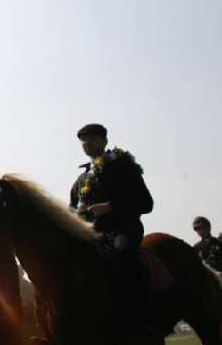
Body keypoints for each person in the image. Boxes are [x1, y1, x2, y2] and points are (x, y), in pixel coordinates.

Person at [69, 123, 155, 344]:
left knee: (123, 252)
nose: (88, 143)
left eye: (93, 139)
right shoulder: (80, 180)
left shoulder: (123, 165)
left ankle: (142, 323)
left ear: (105, 141)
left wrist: (110, 207)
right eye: (84, 140)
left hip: (122, 227)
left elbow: (145, 202)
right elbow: (71, 212)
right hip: (93, 235)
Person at [192, 217, 222, 282]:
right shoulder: (196, 248)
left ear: (209, 228)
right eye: (198, 230)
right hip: (209, 284)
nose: (202, 231)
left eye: (203, 228)